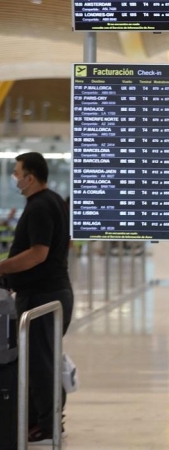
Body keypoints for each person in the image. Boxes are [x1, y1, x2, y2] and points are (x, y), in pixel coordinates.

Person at [0, 152, 73, 444]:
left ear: (30, 177)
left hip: (43, 297)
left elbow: (37, 254)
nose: (15, 178)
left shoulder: (41, 206)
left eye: (17, 173)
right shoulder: (51, 200)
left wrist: (2, 266)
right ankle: (42, 420)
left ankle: (47, 426)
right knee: (39, 361)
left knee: (40, 364)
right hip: (49, 293)